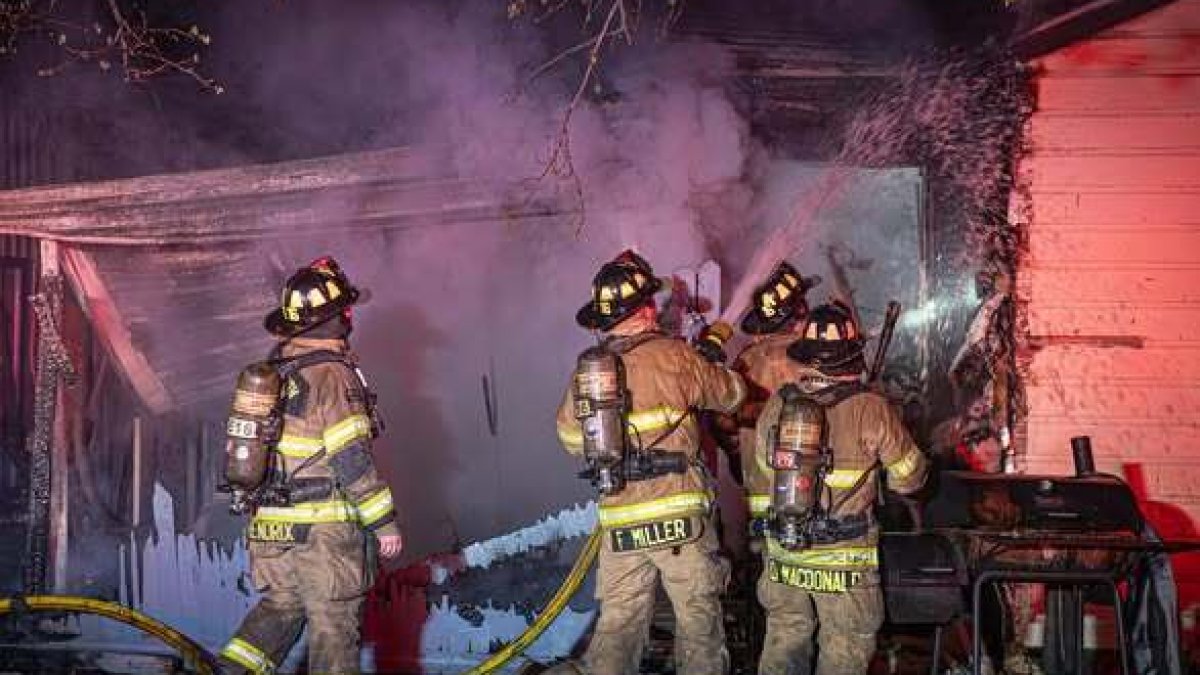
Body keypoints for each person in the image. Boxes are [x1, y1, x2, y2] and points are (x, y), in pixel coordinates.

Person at [555, 250, 746, 674]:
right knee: (698, 622)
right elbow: (732, 395)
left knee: (618, 627)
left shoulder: (590, 373)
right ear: (645, 308)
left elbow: (570, 438)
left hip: (620, 514)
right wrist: (711, 361)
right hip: (678, 512)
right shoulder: (675, 356)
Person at [219, 257, 402, 675]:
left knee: (279, 611)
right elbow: (351, 458)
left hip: (268, 526)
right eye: (347, 311)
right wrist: (384, 523)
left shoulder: (276, 373)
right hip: (322, 537)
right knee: (333, 628)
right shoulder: (333, 376)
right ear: (339, 318)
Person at [754, 301, 928, 675]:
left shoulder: (779, 403)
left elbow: (762, 465)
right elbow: (910, 476)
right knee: (844, 650)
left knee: (783, 645)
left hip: (785, 553)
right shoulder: (871, 407)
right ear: (852, 356)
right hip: (844, 561)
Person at [731, 261, 820, 536]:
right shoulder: (814, 358)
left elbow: (722, 422)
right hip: (808, 483)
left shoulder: (745, 361)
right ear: (801, 311)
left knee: (765, 552)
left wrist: (742, 455)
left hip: (758, 485)